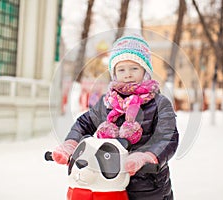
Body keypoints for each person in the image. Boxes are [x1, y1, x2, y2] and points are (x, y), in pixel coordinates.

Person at [52, 34, 179, 200]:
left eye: (134, 68)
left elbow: (168, 137)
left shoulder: (159, 103)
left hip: (147, 187)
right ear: (114, 73)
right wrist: (71, 144)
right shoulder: (108, 101)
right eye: (121, 69)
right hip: (108, 184)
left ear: (145, 71)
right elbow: (84, 123)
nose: (127, 74)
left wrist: (147, 157)